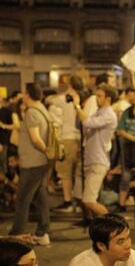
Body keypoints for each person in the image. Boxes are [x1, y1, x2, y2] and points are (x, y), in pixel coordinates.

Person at [9, 83, 51, 246]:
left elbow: (35, 138)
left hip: (33, 162)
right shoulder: (42, 109)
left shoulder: (31, 113)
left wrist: (45, 149)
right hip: (41, 162)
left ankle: (16, 234)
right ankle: (43, 231)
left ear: (27, 95)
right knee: (40, 197)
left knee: (22, 199)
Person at [72, 84, 118, 217]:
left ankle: (113, 224)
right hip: (90, 159)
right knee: (82, 197)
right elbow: (81, 124)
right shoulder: (99, 112)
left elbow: (87, 122)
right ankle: (97, 224)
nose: (96, 98)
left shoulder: (109, 115)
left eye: (99, 96)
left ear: (108, 98)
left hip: (98, 161)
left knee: (89, 201)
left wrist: (77, 106)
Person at [47, 75, 84, 213]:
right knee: (77, 173)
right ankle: (79, 202)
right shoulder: (83, 98)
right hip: (80, 139)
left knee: (65, 173)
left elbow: (49, 100)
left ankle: (68, 202)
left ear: (69, 84)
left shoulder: (62, 99)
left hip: (66, 138)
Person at [69, 213, 135, 266]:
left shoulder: (132, 256)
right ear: (101, 245)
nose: (128, 246)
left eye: (128, 238)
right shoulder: (82, 264)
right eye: (120, 242)